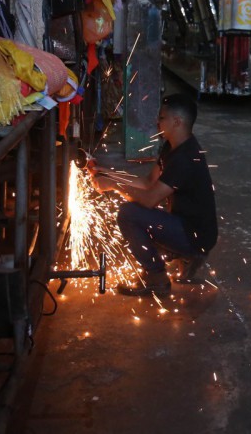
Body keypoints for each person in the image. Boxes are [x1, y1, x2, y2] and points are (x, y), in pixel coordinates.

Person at [92, 93, 217, 297]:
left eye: (161, 118)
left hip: (195, 235)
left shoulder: (185, 158)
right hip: (188, 225)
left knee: (129, 214)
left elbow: (149, 199)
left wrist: (114, 185)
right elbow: (147, 182)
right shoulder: (172, 146)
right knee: (139, 210)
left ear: (177, 122)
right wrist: (107, 172)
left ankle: (157, 277)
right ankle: (186, 256)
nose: (157, 122)